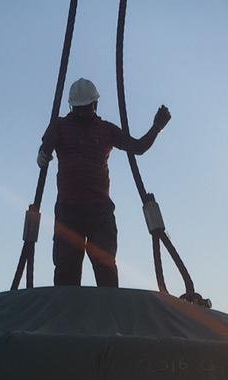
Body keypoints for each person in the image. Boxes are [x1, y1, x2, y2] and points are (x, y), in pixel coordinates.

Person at [36, 77, 170, 287]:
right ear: (72, 107)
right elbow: (45, 148)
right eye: (78, 109)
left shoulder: (105, 130)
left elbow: (138, 147)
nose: (81, 113)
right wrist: (42, 155)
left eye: (85, 108)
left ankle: (109, 317)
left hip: (99, 212)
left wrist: (156, 127)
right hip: (69, 211)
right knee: (66, 272)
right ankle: (67, 318)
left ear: (94, 105)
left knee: (106, 270)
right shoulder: (60, 126)